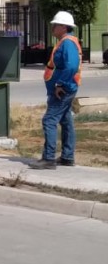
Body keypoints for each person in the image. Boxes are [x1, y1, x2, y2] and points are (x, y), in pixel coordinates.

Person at [31, 10, 82, 169]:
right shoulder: (65, 41)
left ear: (64, 27)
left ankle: (49, 158)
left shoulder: (67, 43)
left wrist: (60, 84)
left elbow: (71, 66)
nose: (52, 27)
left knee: (49, 120)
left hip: (63, 89)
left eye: (55, 25)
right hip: (65, 88)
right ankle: (67, 156)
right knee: (65, 120)